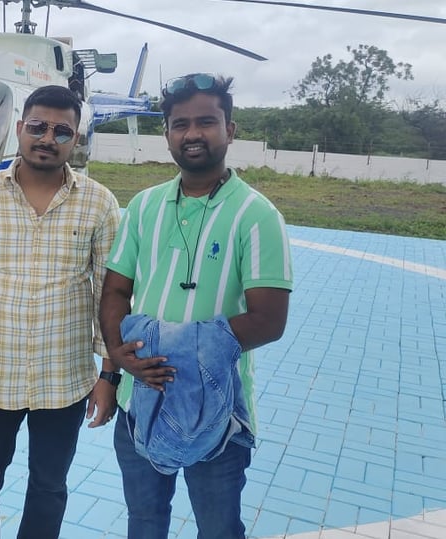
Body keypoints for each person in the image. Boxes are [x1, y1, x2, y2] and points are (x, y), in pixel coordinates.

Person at [99, 73, 293, 539]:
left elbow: (269, 320)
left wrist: (183, 352)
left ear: (230, 129)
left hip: (218, 411)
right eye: (180, 124)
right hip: (140, 400)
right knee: (145, 524)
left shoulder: (257, 215)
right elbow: (114, 292)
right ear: (166, 133)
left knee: (218, 529)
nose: (192, 133)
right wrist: (119, 356)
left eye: (206, 121)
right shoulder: (143, 207)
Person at [0, 85, 121, 539]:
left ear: (75, 138)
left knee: (48, 488)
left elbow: (110, 295)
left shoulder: (100, 202)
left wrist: (109, 375)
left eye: (61, 131)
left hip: (65, 381)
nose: (47, 138)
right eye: (38, 127)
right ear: (20, 128)